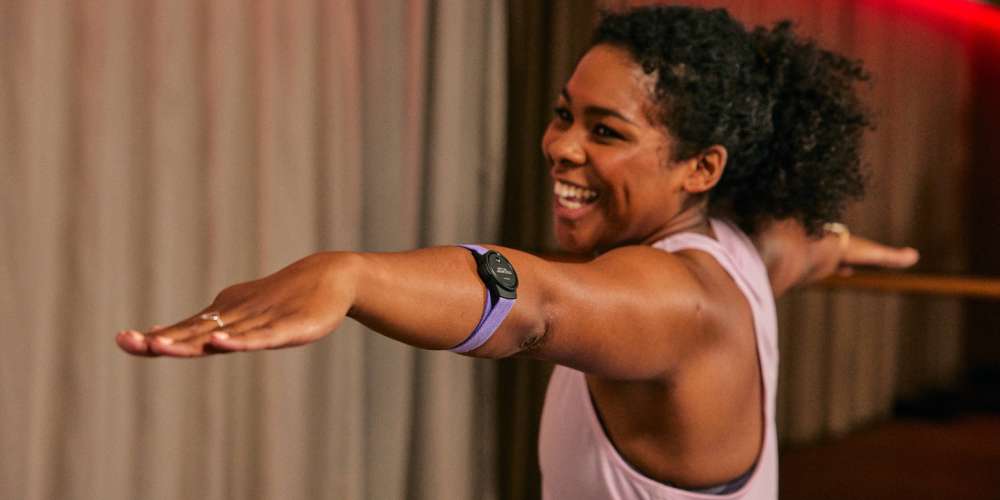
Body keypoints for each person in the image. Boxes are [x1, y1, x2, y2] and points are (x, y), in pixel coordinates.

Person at [116, 6, 919, 499]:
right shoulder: (747, 249)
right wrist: (842, 244)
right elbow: (800, 249)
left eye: (606, 131)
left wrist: (352, 274)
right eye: (562, 114)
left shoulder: (680, 303)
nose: (562, 148)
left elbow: (534, 306)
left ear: (701, 167)